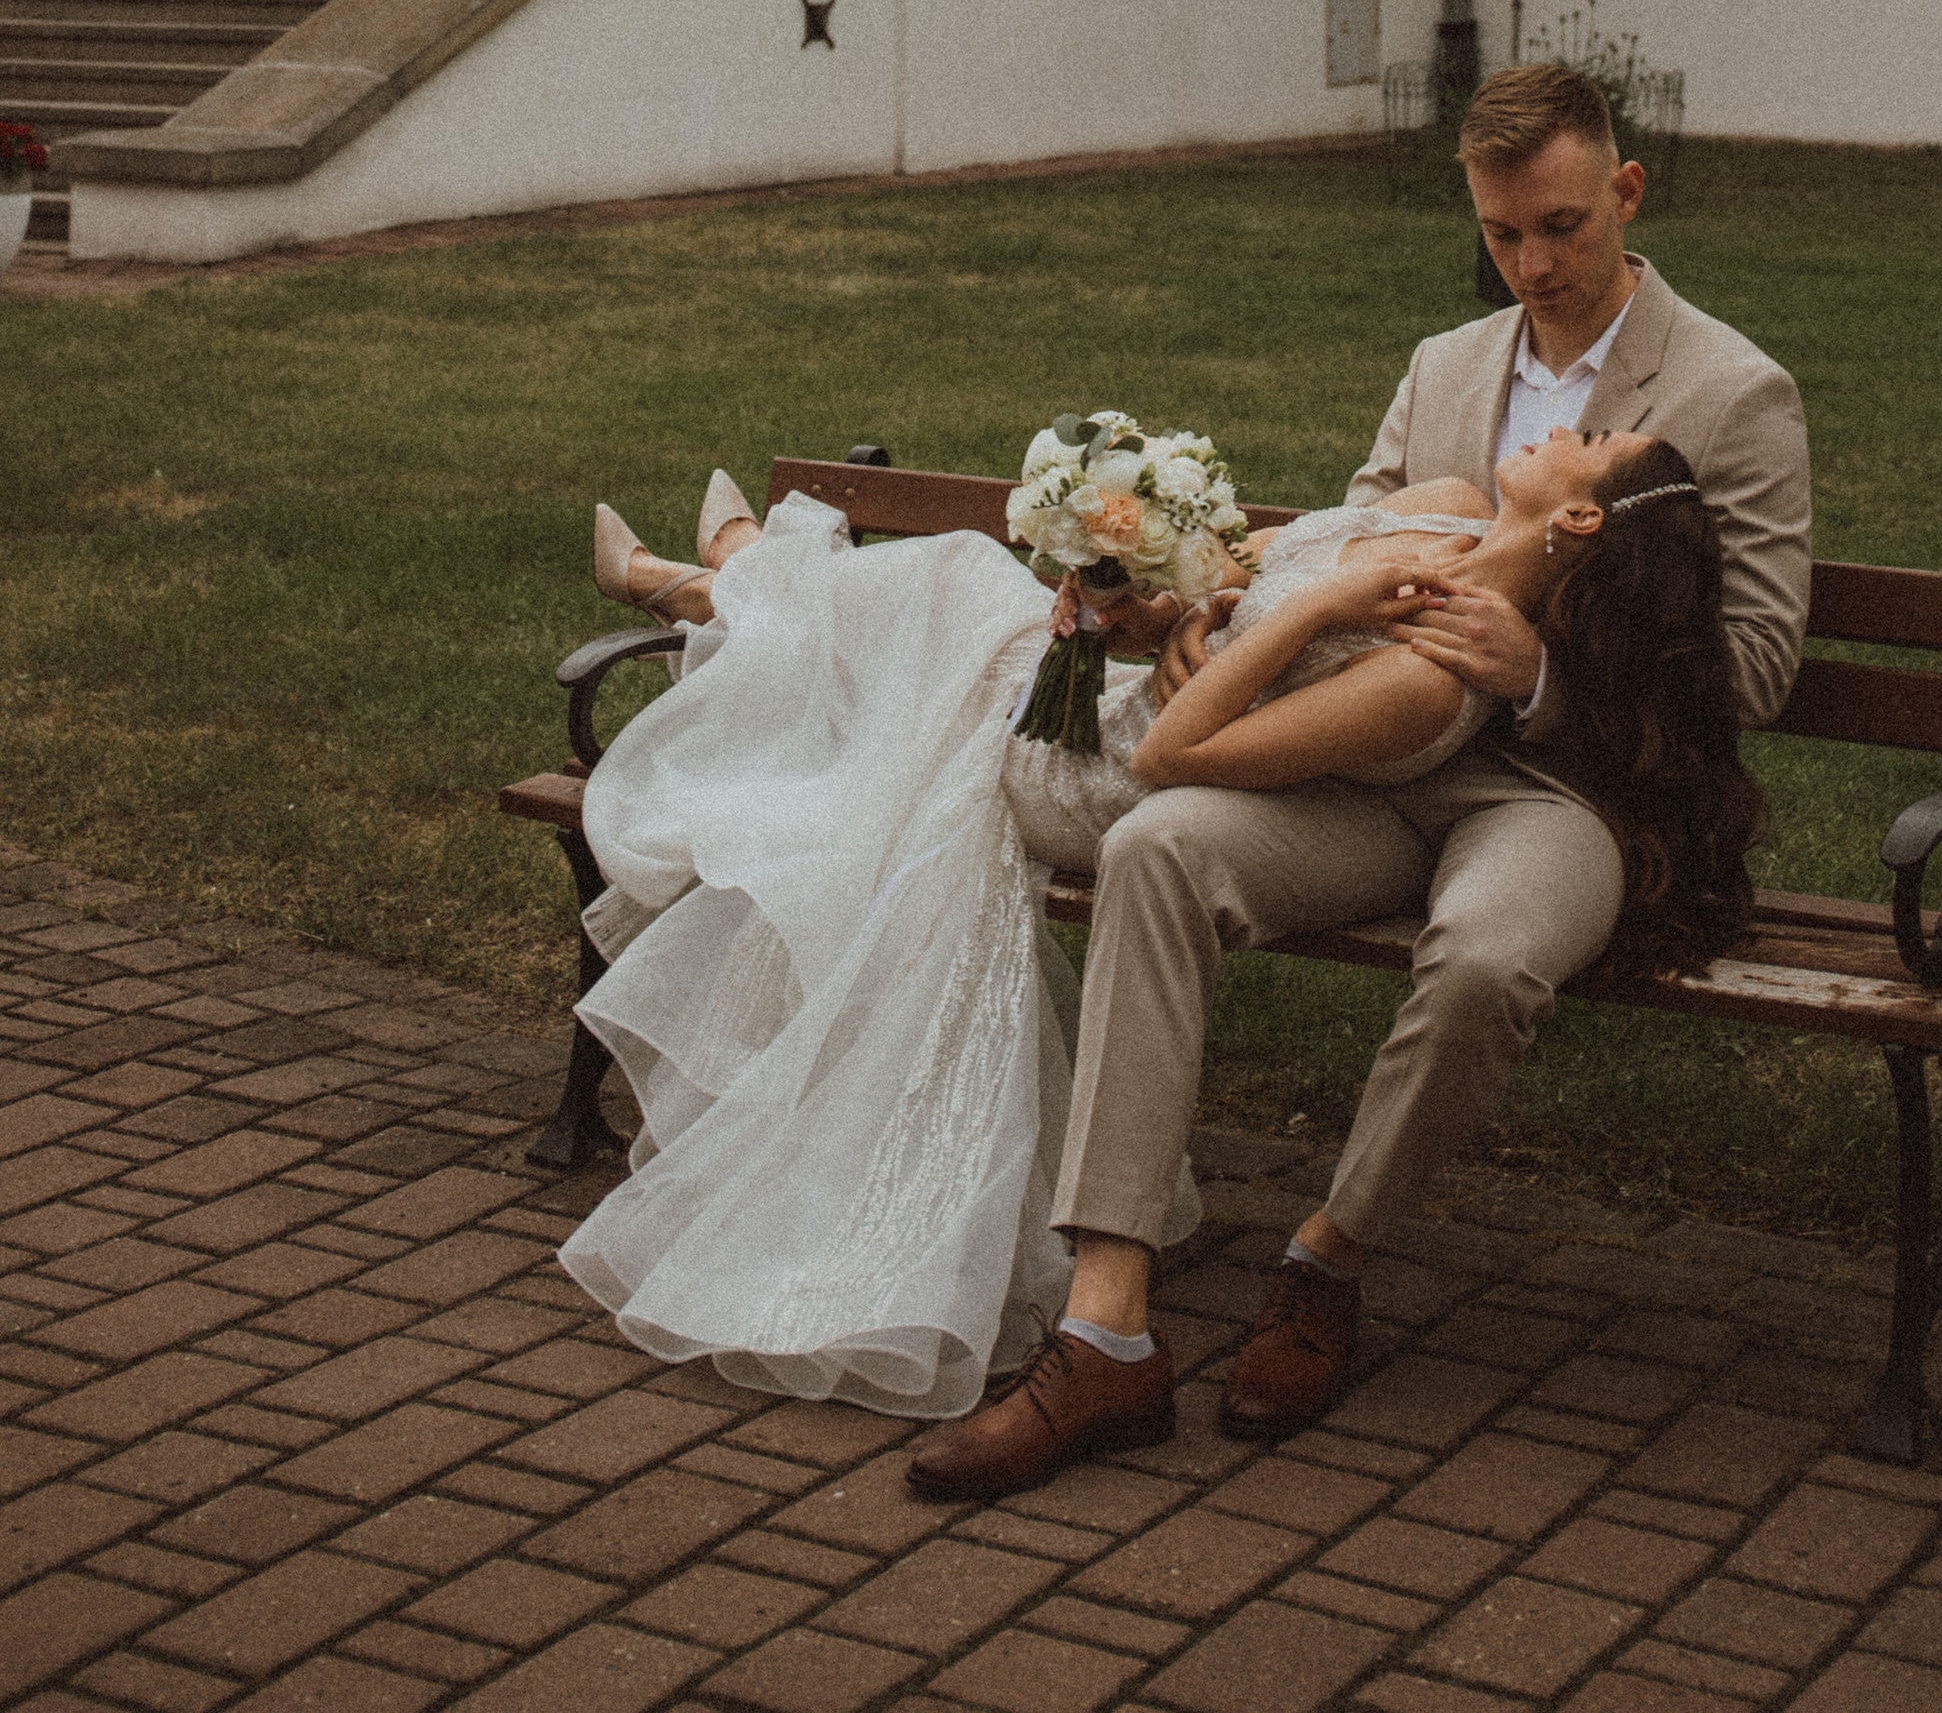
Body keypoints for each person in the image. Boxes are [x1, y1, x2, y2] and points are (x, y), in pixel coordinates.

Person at [916, 60, 1809, 1502]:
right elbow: (1350, 541)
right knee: (1160, 848)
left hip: (1558, 789)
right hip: (1371, 769)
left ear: (1627, 194)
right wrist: (1234, 618)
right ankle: (1107, 1334)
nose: (1533, 265)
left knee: (1487, 963)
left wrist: (1537, 672)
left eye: (1563, 229)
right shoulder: (1448, 366)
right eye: (1504, 236)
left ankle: (1327, 1260)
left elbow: (1756, 665)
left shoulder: (1732, 389)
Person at [555, 393, 1758, 1432]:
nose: (1559, 426)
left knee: (941, 610)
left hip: (1218, 755)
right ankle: (732, 580)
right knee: (954, 602)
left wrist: (1351, 621)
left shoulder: (1428, 664)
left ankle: (722, 583)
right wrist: (1198, 598)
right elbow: (1253, 569)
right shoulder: (1439, 492)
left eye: (1587, 435)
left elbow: (1194, 739)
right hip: (1143, 707)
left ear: (1583, 518)